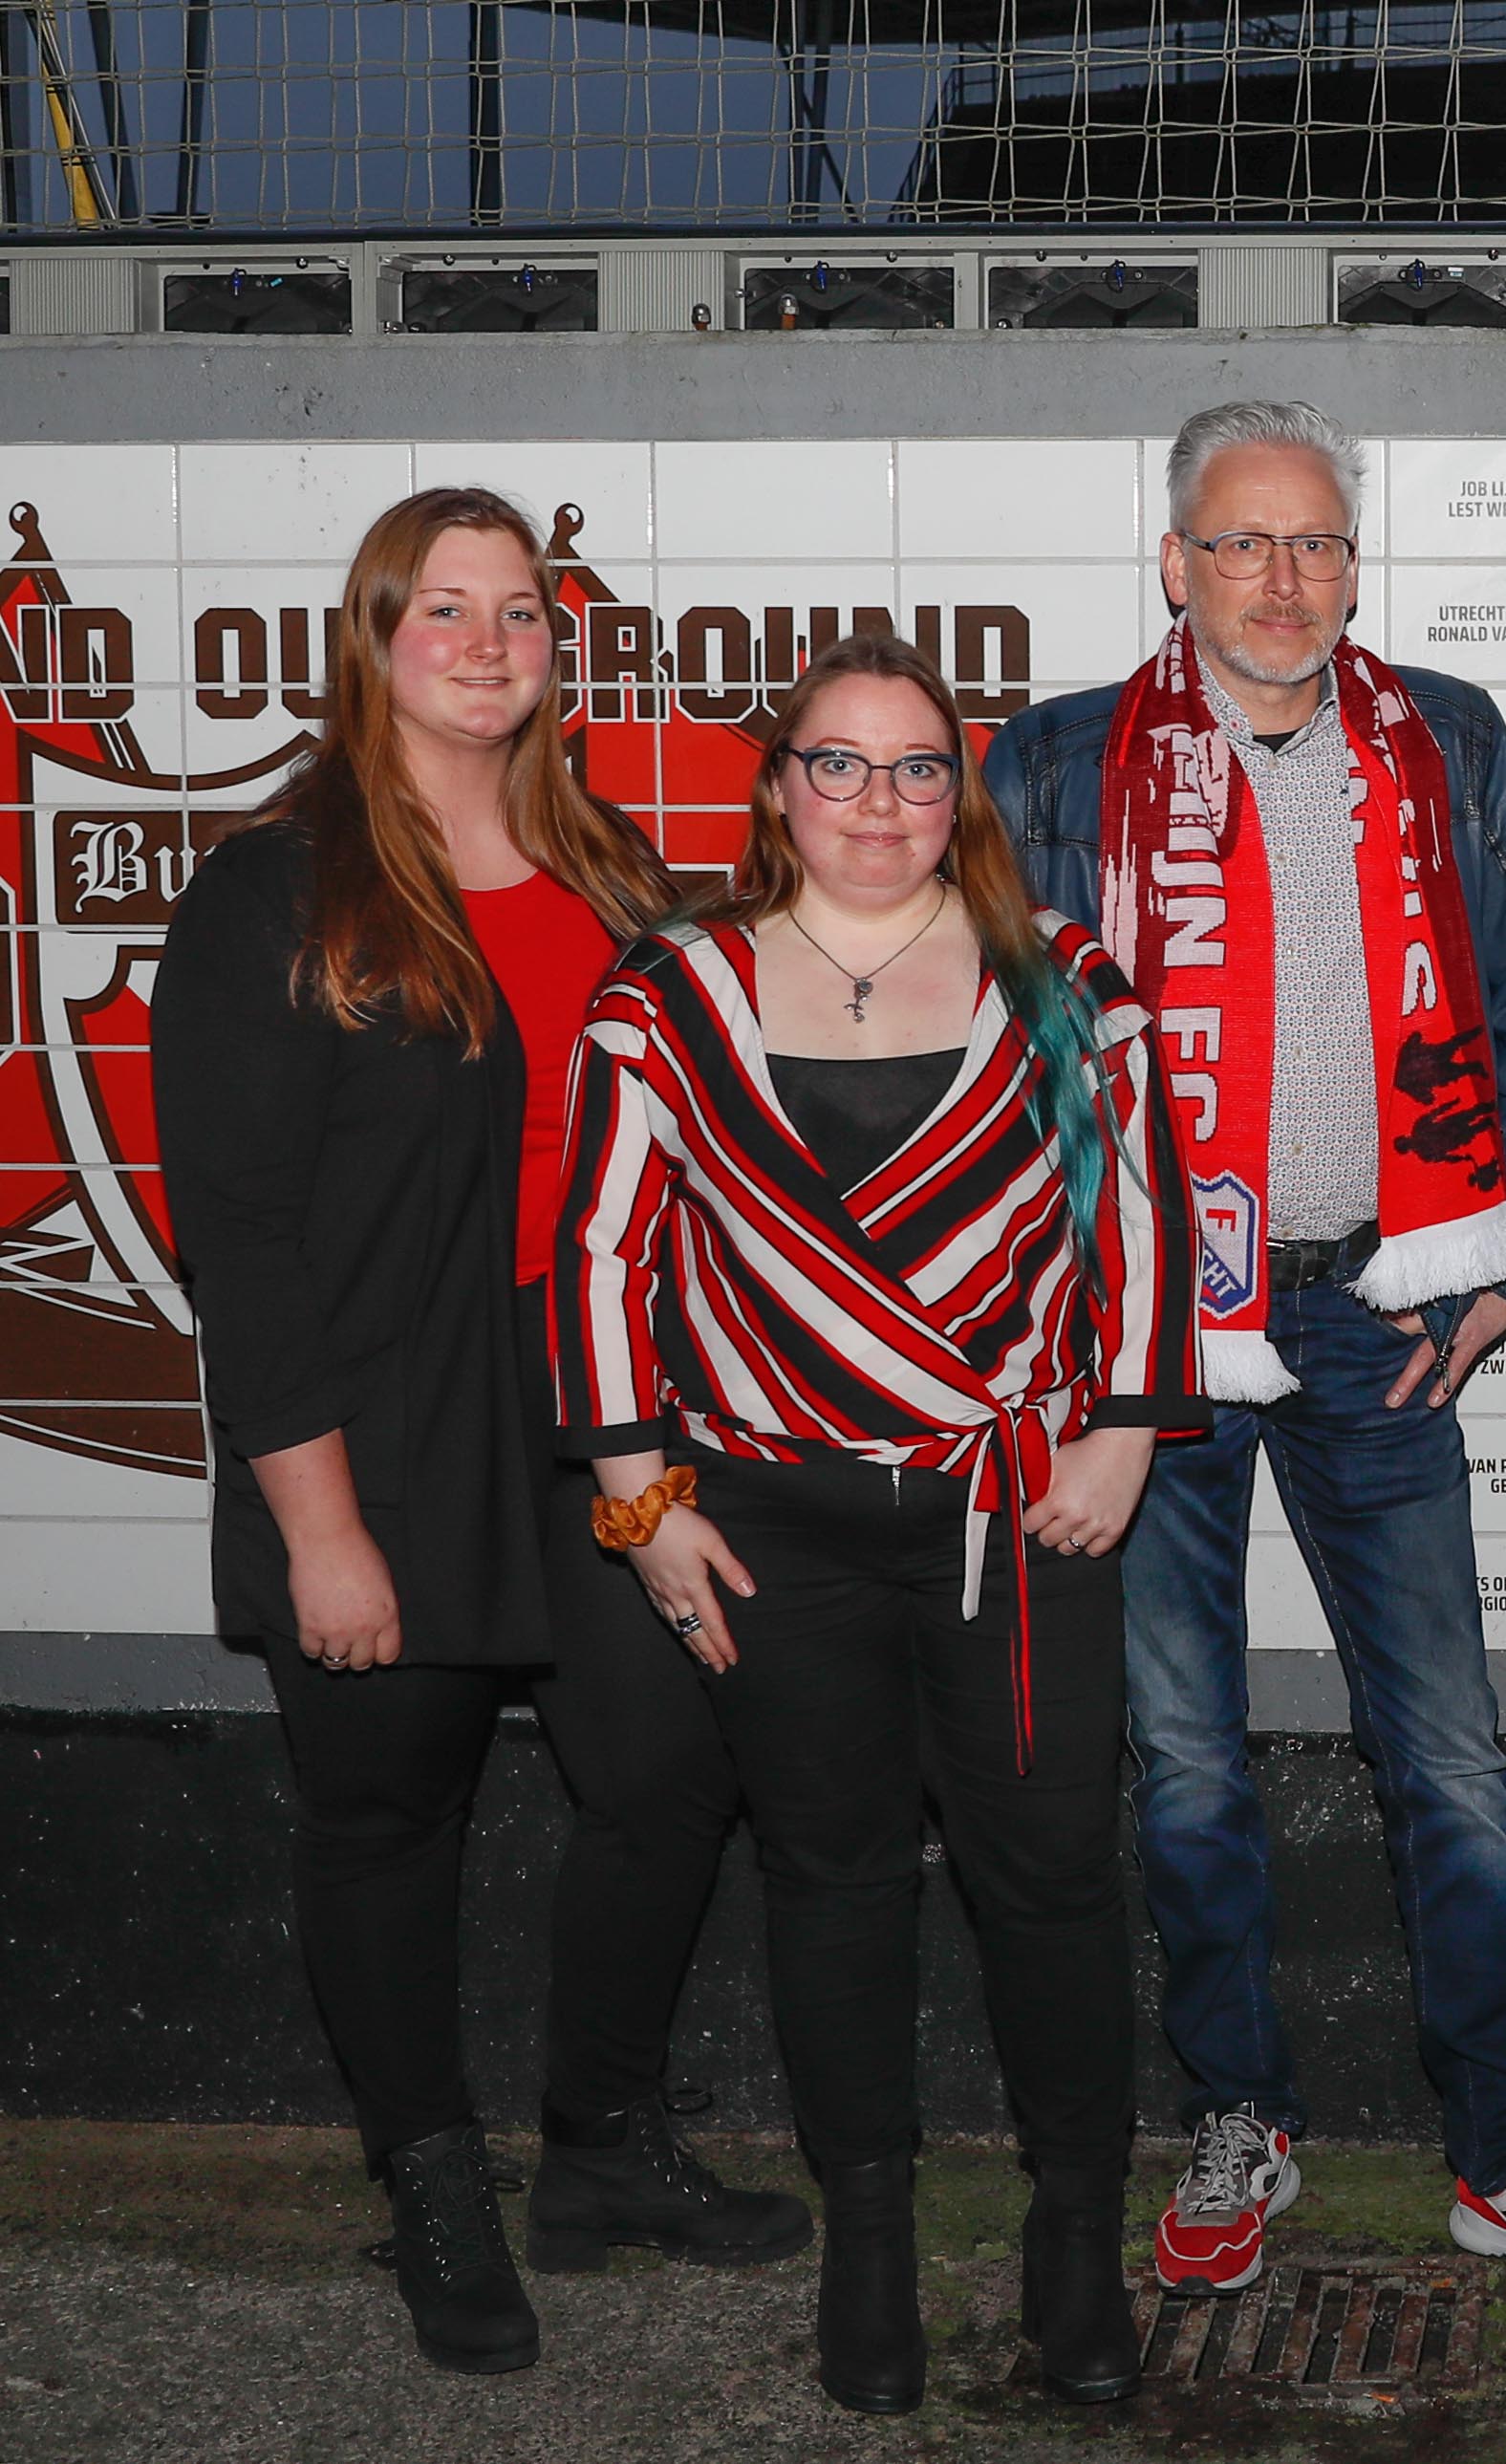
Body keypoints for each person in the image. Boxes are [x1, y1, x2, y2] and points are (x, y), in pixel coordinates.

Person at [980, 400, 1506, 2313]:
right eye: (1243, 544)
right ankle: (1239, 2114)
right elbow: (1000, 1049)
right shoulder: (1053, 763)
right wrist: (1061, 1303)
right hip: (1149, 1328)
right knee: (1187, 1758)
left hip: (1382, 1302)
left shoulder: (1440, 735)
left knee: (1447, 1754)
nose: (1282, 579)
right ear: (1178, 566)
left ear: (1351, 566)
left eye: (1317, 545)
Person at [151, 487, 805, 2378]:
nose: (488, 639)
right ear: (373, 637)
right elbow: (245, 1243)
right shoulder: (280, 887)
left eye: (519, 609)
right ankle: (430, 2184)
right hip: (382, 1429)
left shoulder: (610, 872)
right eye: (443, 608)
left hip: (604, 1418)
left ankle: (599, 2149)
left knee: (678, 1755)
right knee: (388, 1821)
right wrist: (321, 1529)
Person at [554, 633, 1200, 2411]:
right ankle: (873, 2247)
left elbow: (1137, 1212)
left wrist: (1126, 1433)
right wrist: (642, 1508)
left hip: (1015, 1514)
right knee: (831, 1881)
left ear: (958, 794)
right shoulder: (669, 987)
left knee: (1052, 1881)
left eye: (920, 768)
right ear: (778, 789)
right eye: (838, 764)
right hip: (768, 1523)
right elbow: (600, 1248)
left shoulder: (1061, 976)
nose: (880, 803)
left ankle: (1076, 2246)